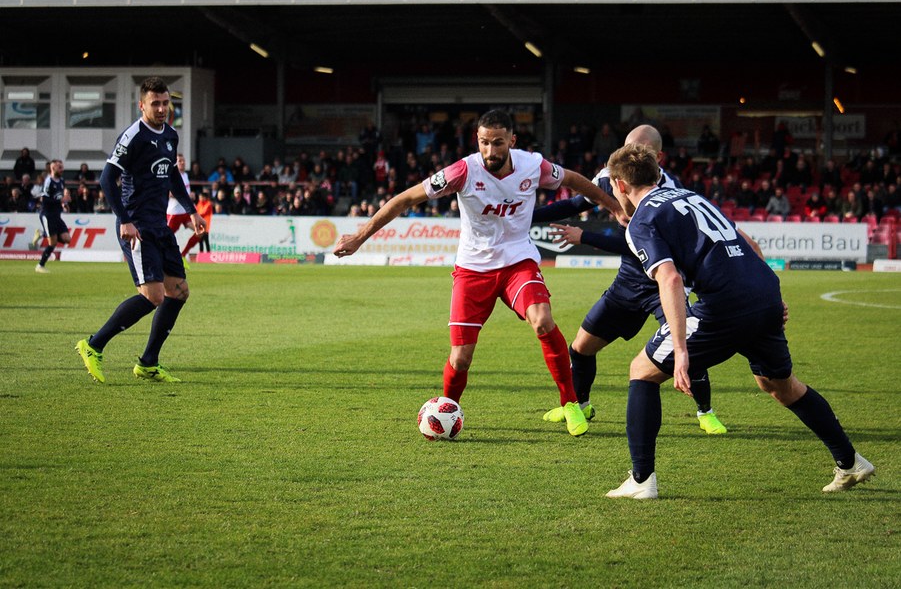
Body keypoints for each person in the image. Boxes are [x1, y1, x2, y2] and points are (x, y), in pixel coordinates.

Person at [602, 142, 874, 499]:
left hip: (724, 306)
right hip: (763, 292)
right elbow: (746, 241)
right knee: (780, 385)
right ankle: (850, 462)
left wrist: (681, 351)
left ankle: (641, 481)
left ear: (620, 185)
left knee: (642, 370)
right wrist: (770, 298)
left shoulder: (642, 220)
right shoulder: (691, 196)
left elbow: (669, 279)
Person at [334, 110, 628, 437]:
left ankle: (570, 403)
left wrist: (614, 206)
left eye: (498, 143)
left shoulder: (533, 165)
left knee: (543, 320)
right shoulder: (462, 171)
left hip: (518, 262)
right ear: (477, 140)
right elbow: (405, 199)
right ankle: (446, 411)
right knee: (461, 358)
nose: (490, 150)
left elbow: (573, 180)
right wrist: (360, 236)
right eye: (484, 142)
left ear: (512, 141)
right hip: (473, 270)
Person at [533, 125, 728, 435]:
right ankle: (581, 405)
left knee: (687, 345)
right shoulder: (611, 176)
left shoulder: (669, 192)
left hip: (663, 284)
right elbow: (575, 204)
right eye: (625, 148)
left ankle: (706, 412)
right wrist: (523, 216)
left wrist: (585, 236)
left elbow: (637, 247)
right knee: (581, 348)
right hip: (627, 284)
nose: (629, 156)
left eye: (639, 151)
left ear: (658, 157)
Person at [76, 76, 205, 385]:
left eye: (165, 103)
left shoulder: (170, 135)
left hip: (159, 225)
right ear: (142, 105)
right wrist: (124, 219)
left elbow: (172, 176)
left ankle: (148, 362)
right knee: (153, 296)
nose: (161, 109)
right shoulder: (133, 136)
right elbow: (107, 179)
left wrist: (191, 210)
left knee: (179, 292)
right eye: (155, 103)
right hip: (137, 226)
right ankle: (93, 345)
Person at [34, 159, 71, 273]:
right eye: (59, 167)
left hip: (57, 215)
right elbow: (44, 200)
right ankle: (40, 266)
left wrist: (64, 204)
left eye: (62, 167)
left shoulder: (61, 181)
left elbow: (59, 197)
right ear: (53, 168)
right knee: (53, 243)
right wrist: (61, 201)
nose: (62, 169)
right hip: (47, 215)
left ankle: (43, 233)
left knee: (67, 239)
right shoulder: (48, 181)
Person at [166, 153, 196, 267]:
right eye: (180, 161)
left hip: (185, 212)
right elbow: (169, 193)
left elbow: (186, 192)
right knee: (164, 238)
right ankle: (160, 259)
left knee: (201, 231)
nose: (182, 163)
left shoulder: (185, 175)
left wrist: (191, 195)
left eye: (183, 161)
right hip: (174, 213)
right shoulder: (172, 176)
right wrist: (186, 196)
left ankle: (183, 255)